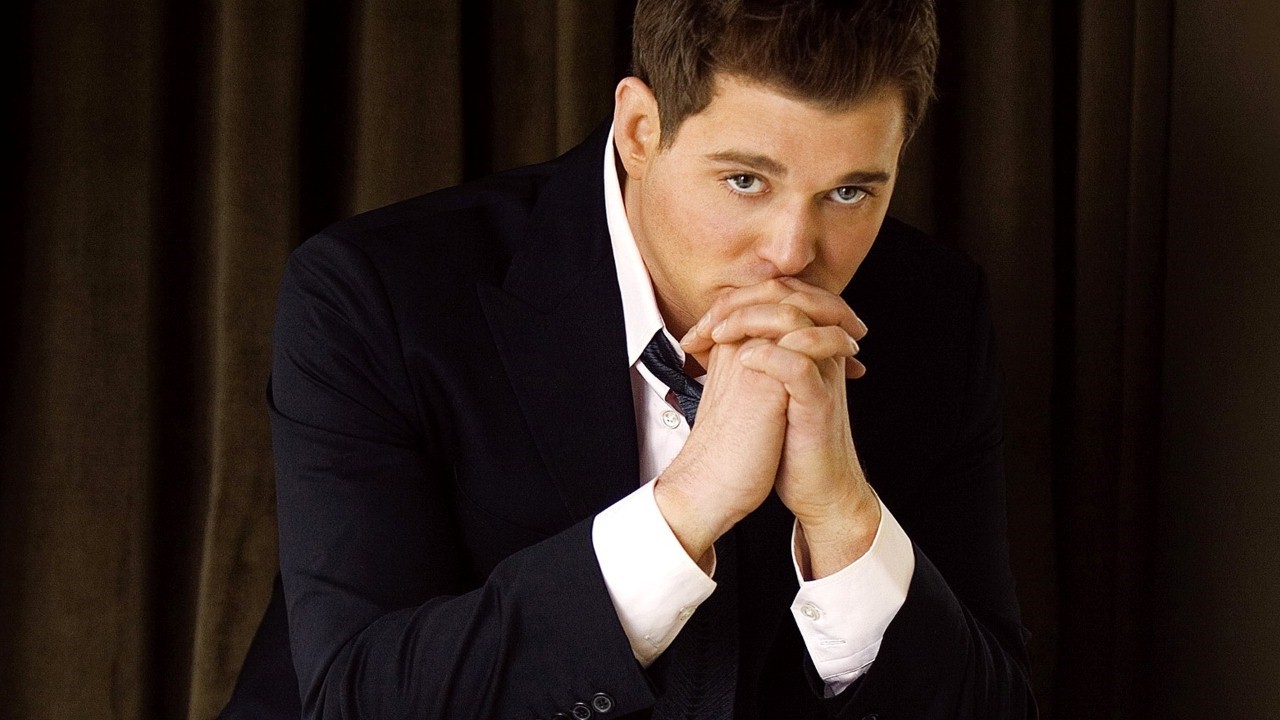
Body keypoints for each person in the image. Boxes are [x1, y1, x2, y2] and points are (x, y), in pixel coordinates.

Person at [222, 1, 1035, 718]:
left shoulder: (935, 314)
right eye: (745, 180)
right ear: (641, 130)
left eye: (851, 193)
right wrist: (688, 506)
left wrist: (844, 518)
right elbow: (361, 700)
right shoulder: (377, 296)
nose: (793, 252)